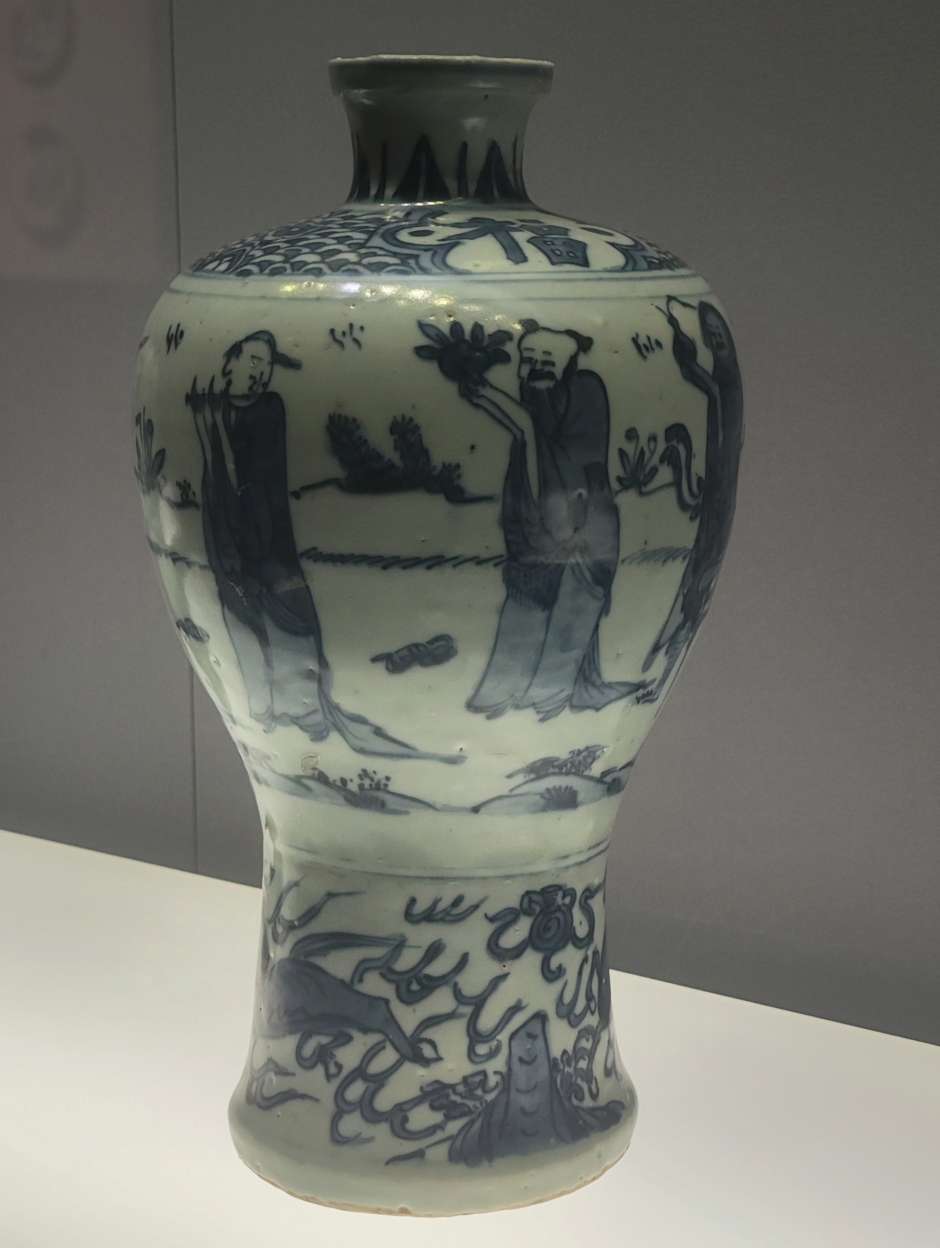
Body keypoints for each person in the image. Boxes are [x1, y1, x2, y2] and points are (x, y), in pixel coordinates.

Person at [188, 330, 449, 759]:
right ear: (228, 361)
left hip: (269, 537)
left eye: (265, 367)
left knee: (293, 619)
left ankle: (303, 711)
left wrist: (212, 425)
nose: (259, 374)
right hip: (224, 535)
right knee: (239, 617)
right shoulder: (209, 407)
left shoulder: (268, 409)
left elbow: (248, 472)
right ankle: (263, 710)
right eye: (251, 363)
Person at [459, 320, 645, 720]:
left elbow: (566, 464)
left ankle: (548, 706)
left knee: (567, 628)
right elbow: (528, 441)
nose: (535, 369)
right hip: (535, 535)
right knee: (523, 612)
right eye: (528, 360)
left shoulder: (586, 394)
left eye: (547, 361)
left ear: (567, 367)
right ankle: (499, 702)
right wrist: (486, 394)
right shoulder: (535, 400)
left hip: (584, 529)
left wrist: (508, 412)